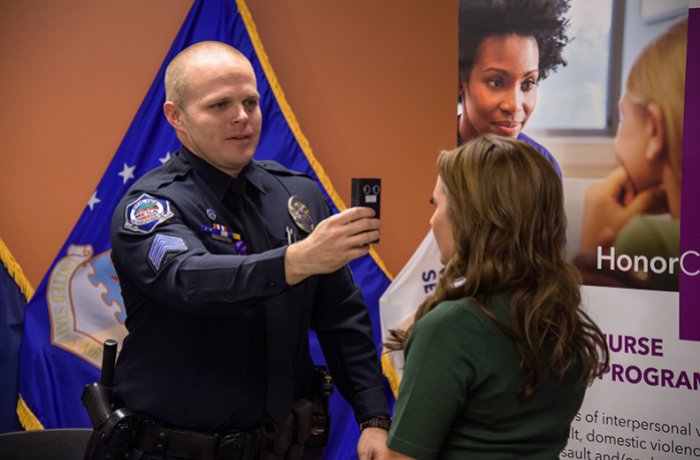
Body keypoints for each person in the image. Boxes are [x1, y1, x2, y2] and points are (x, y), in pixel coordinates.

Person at [103, 41, 390, 460]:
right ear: (175, 117)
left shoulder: (299, 196)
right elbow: (189, 280)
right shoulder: (150, 206)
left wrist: (373, 418)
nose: (242, 117)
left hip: (285, 446)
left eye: (250, 102)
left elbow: (341, 317)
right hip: (176, 449)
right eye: (220, 105)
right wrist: (294, 262)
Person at [384, 135, 609, 459]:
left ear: (470, 217)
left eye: (437, 205)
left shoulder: (452, 328)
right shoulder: (555, 315)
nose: (432, 220)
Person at [576, 19, 687, 291]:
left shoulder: (645, 242)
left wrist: (591, 258)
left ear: (654, 129)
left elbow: (586, 331)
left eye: (624, 117)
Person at [458, 0, 571, 175]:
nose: (514, 105)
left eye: (528, 84)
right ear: (460, 81)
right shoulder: (421, 154)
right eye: (496, 82)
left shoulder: (542, 169)